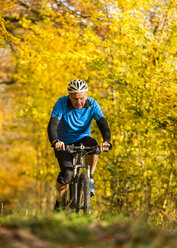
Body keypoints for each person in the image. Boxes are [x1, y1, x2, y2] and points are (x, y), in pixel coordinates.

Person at [47, 79, 112, 211]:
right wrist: (55, 141)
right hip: (63, 143)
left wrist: (106, 140)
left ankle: (90, 178)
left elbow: (102, 123)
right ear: (69, 96)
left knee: (94, 147)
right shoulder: (61, 103)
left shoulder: (92, 104)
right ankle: (59, 205)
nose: (79, 102)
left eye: (82, 98)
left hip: (83, 138)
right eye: (75, 99)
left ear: (86, 95)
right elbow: (53, 124)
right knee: (67, 174)